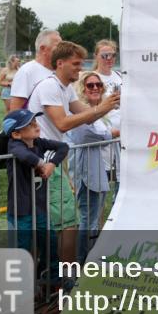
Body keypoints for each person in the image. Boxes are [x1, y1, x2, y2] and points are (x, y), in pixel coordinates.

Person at [1, 109, 69, 286]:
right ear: (16, 134)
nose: (36, 126)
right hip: (20, 209)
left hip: (39, 207)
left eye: (35, 122)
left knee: (49, 242)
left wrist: (52, 165)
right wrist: (41, 164)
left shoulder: (39, 142)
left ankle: (51, 277)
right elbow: (24, 156)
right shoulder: (14, 145)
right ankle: (18, 285)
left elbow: (63, 147)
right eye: (30, 125)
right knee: (21, 247)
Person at [67, 72, 118, 264]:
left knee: (95, 219)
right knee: (88, 219)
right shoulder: (80, 111)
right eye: (90, 85)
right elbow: (85, 136)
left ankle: (93, 257)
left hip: (100, 169)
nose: (95, 88)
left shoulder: (98, 111)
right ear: (82, 89)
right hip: (87, 171)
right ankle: (83, 261)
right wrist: (109, 135)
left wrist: (107, 134)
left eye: (98, 84)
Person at [27, 42, 120, 144]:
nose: (80, 68)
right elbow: (62, 124)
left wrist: (110, 104)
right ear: (60, 63)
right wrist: (101, 108)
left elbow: (88, 116)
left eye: (81, 64)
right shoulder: (50, 85)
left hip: (53, 148)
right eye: (76, 64)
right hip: (42, 150)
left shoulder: (67, 88)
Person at [10, 29, 61, 109]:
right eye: (58, 47)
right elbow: (15, 110)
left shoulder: (61, 71)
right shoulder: (26, 71)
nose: (62, 50)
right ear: (43, 49)